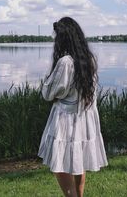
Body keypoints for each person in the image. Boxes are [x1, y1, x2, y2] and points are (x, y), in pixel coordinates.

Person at [38, 17, 108, 197]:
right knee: (78, 159)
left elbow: (48, 94)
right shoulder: (87, 59)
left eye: (57, 36)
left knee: (60, 164)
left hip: (65, 120)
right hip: (83, 119)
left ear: (64, 38)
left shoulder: (66, 62)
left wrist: (47, 82)